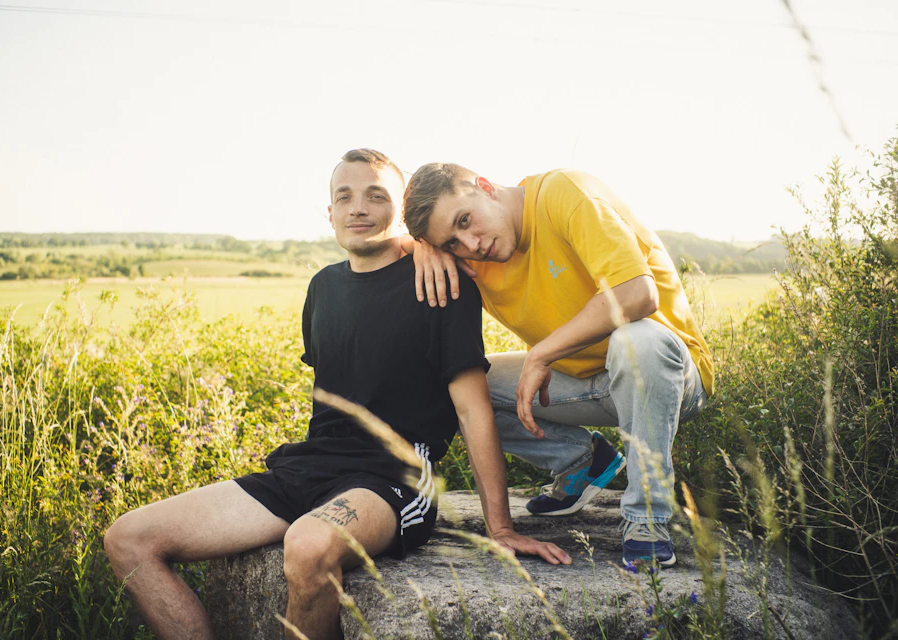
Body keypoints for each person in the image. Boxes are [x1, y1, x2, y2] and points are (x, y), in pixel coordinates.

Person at [103, 149, 569, 640]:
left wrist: (501, 528)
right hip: (311, 466)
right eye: (344, 197)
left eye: (376, 196)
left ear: (401, 212)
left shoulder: (440, 284)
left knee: (308, 546)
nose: (358, 208)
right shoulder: (322, 287)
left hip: (393, 477)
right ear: (330, 213)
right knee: (128, 540)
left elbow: (473, 412)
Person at [402, 164, 713, 567]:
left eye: (465, 220)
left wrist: (542, 354)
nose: (471, 244)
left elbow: (637, 294)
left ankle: (645, 520)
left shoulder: (563, 193)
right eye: (451, 243)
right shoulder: (474, 254)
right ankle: (581, 461)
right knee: (455, 386)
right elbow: (379, 242)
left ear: (485, 186)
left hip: (665, 373)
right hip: (587, 383)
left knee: (636, 341)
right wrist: (420, 246)